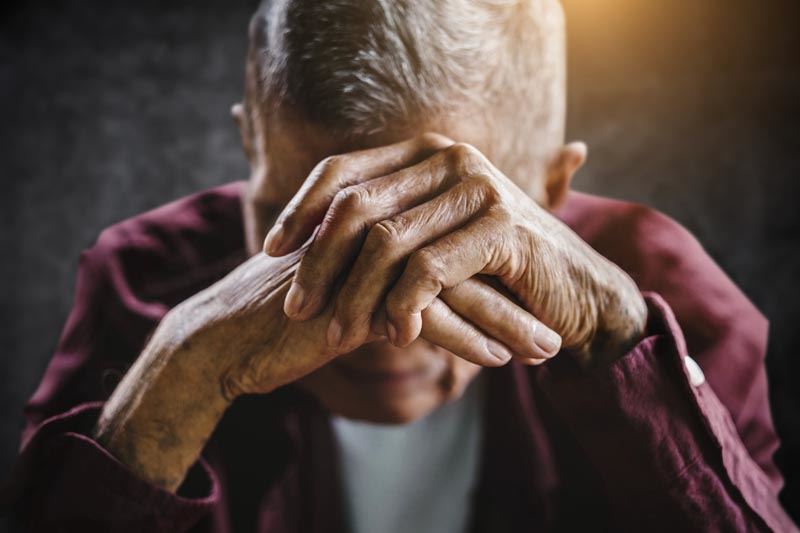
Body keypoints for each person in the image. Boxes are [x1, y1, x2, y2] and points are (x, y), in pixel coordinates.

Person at [5, 0, 797, 531]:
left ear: (550, 193)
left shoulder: (667, 306)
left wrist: (617, 344)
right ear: (251, 152)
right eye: (314, 230)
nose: (380, 326)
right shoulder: (142, 286)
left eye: (453, 235)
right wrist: (181, 371)